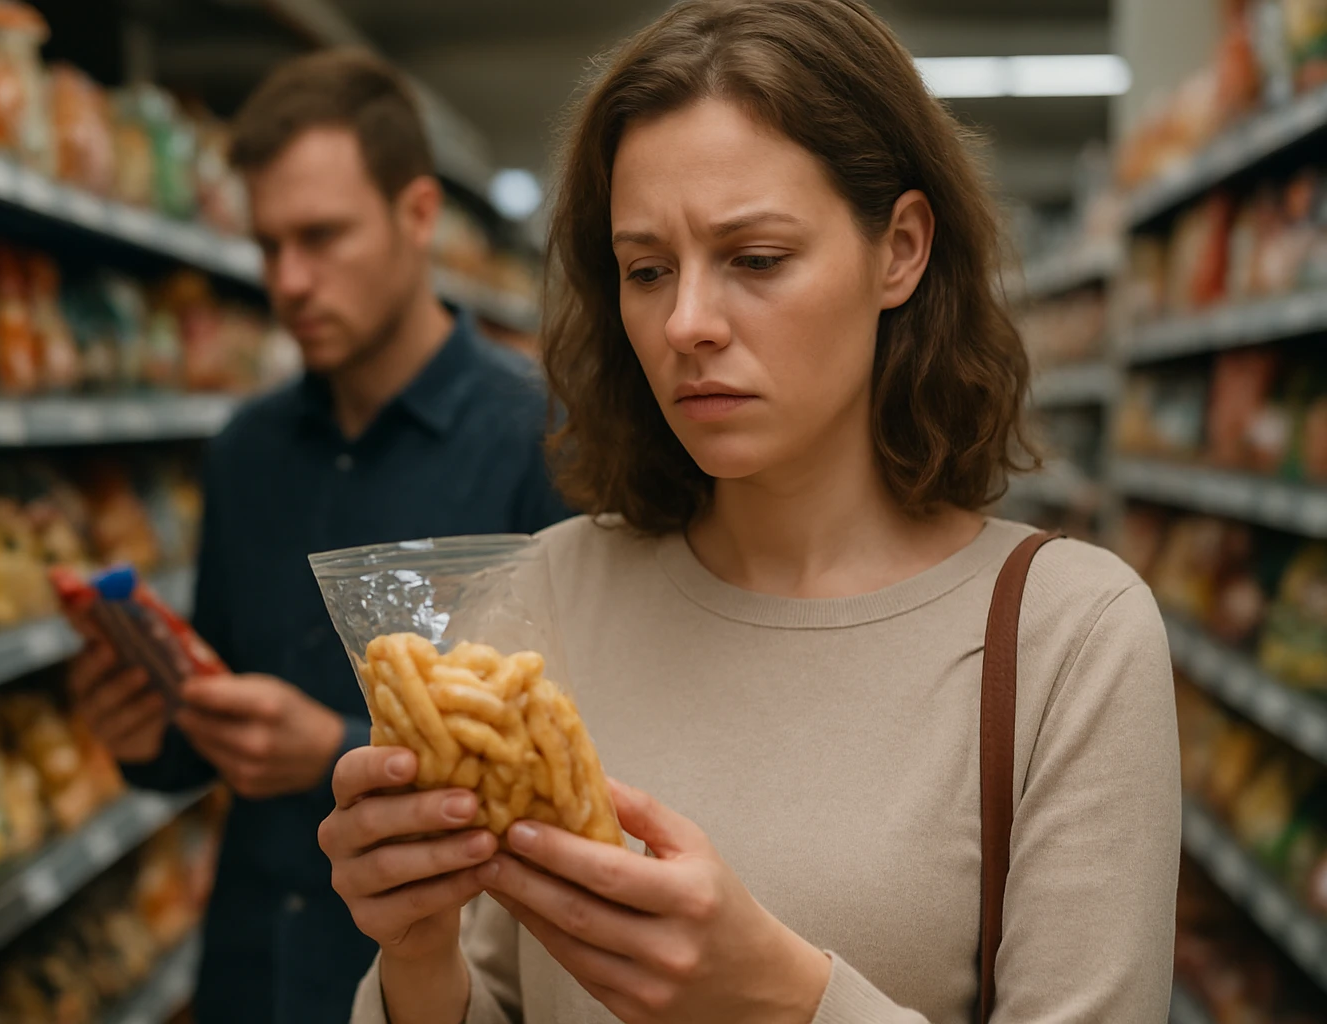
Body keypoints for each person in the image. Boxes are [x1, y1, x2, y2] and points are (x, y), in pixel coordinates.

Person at [320, 2, 1181, 1023]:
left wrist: (782, 998)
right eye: (645, 271)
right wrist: (416, 954)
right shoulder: (543, 595)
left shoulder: (1068, 637)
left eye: (756, 259)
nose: (686, 322)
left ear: (899, 249)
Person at [66, 50, 571, 1024]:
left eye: (322, 236)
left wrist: (330, 750)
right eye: (268, 246)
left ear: (418, 214)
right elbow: (206, 733)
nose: (290, 281)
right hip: (253, 966)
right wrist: (148, 733)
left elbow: (569, 767)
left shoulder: (544, 441)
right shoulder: (245, 451)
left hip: (440, 984)